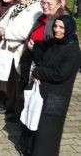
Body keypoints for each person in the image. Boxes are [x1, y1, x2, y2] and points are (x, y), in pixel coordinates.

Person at [26, 15, 80, 156]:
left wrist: (38, 72)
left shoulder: (73, 50)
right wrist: (35, 46)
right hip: (44, 92)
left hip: (57, 96)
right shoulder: (55, 42)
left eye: (61, 27)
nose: (57, 30)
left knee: (49, 129)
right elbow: (42, 49)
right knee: (38, 123)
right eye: (55, 26)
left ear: (69, 29)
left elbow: (60, 74)